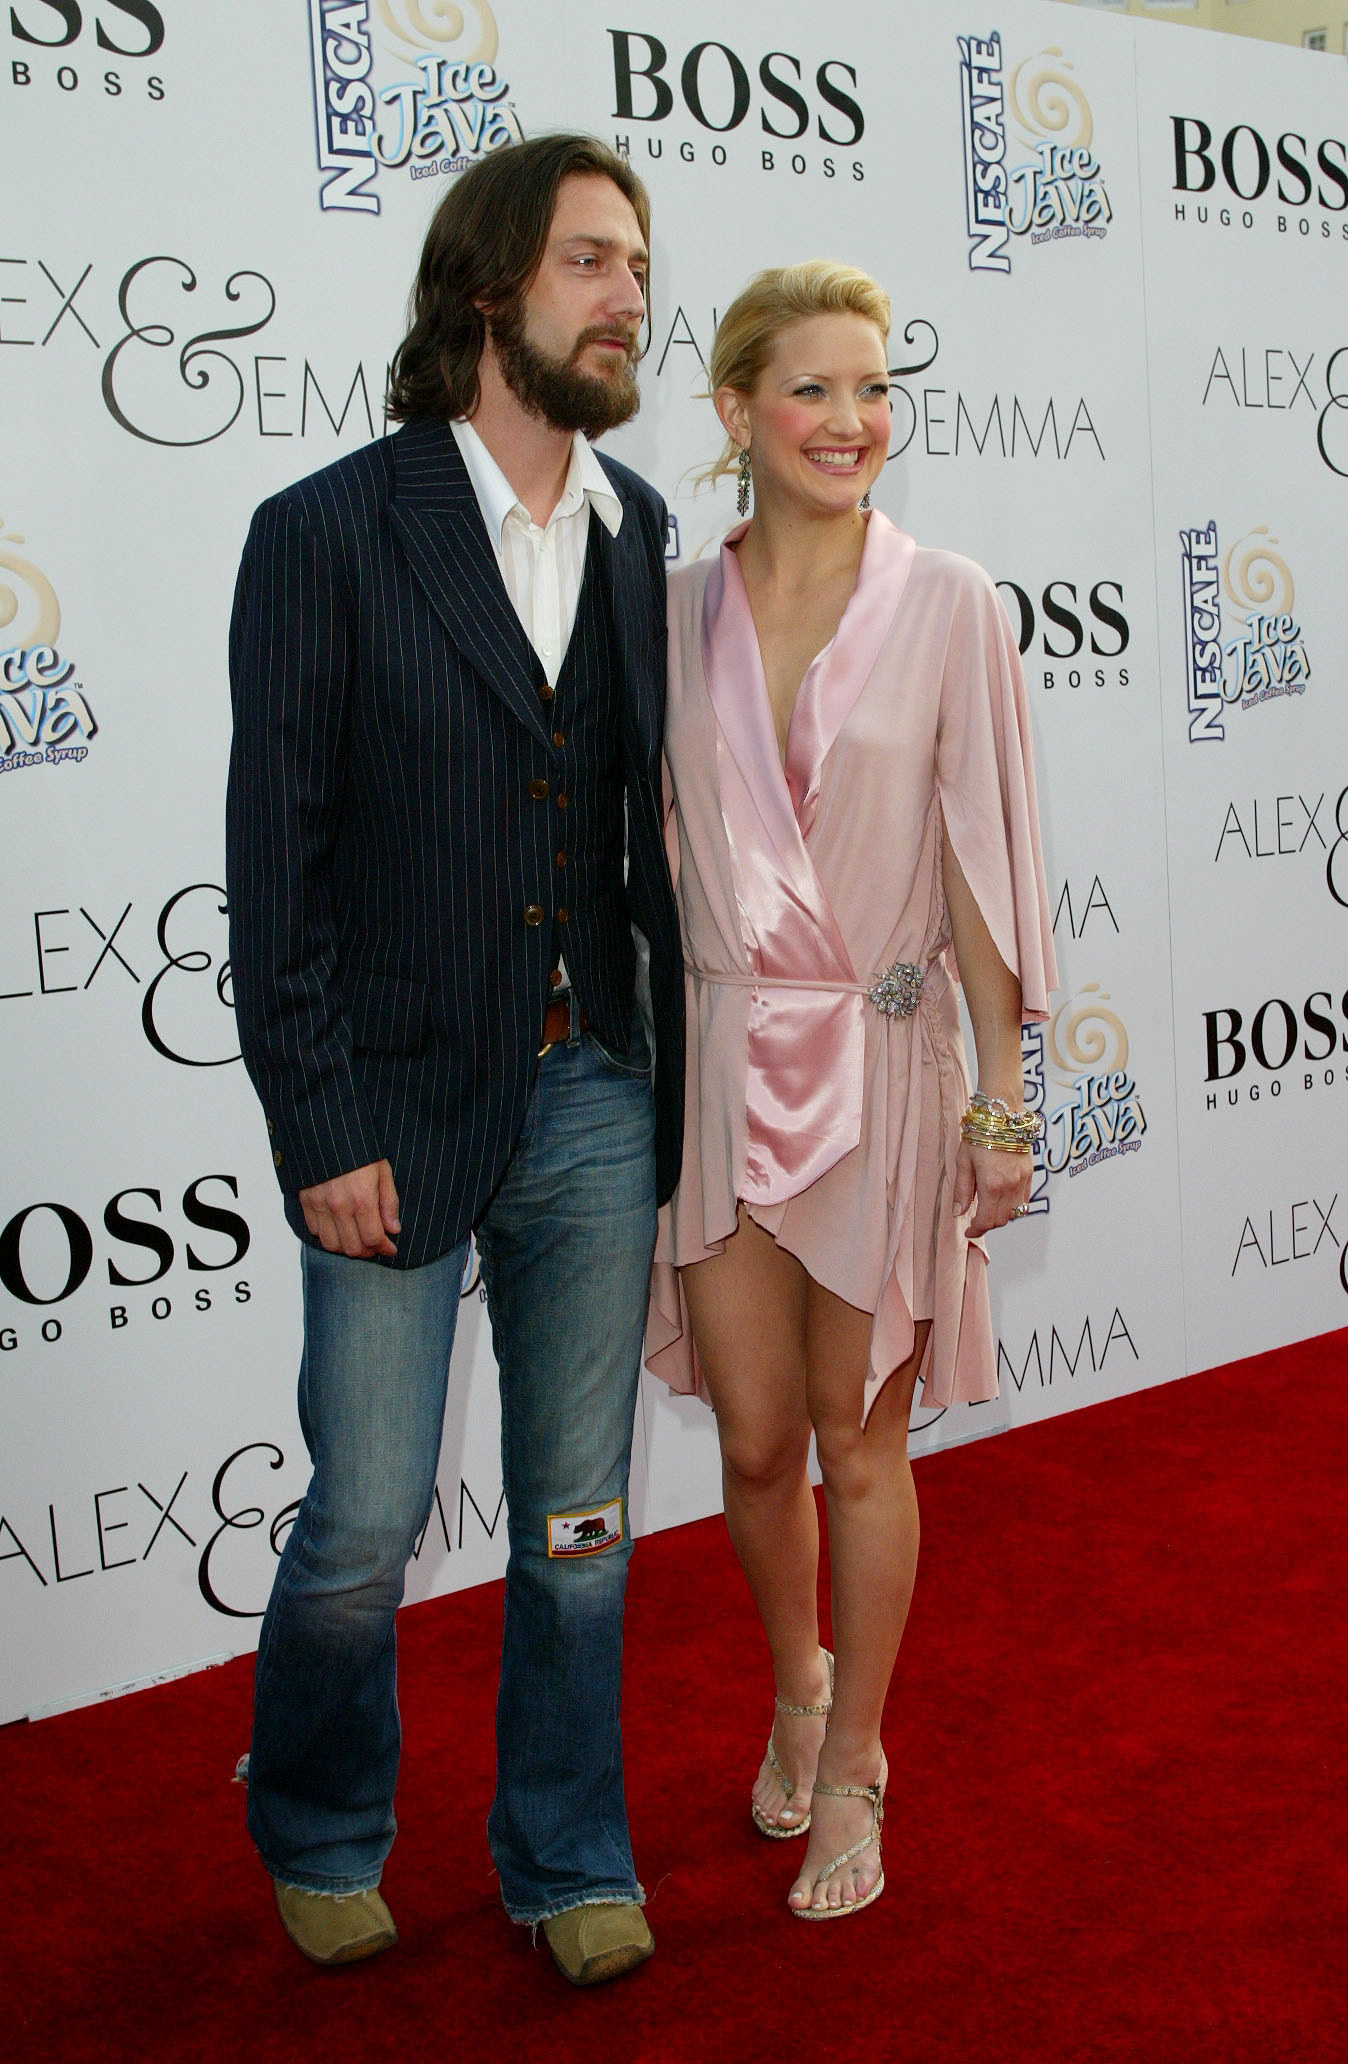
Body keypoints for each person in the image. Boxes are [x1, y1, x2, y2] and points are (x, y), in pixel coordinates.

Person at [225, 134, 683, 1986]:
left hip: (596, 1098)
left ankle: (567, 1853)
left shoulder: (644, 529)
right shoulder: (328, 530)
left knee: (581, 1520)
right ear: (488, 287)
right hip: (395, 1107)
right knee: (364, 1518)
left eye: (641, 265)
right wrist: (320, 1117)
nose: (627, 297)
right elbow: (279, 867)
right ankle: (322, 1825)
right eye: (591, 261)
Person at [645, 262, 1056, 1917]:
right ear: (739, 408)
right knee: (753, 1439)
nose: (850, 420)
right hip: (721, 1061)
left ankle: (859, 1762)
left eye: (874, 389)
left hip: (884, 1070)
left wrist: (1006, 1091)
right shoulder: (666, 606)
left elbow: (984, 860)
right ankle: (795, 1683)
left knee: (859, 1441)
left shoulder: (951, 598)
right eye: (812, 389)